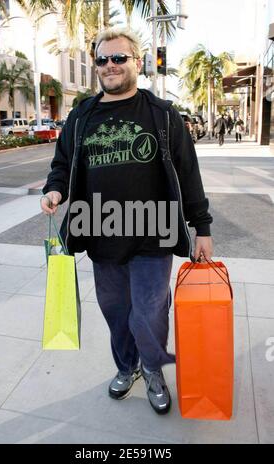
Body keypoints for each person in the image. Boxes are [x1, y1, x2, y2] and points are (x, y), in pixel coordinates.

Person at [41, 28, 213, 415]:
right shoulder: (81, 115)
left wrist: (201, 227)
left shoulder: (162, 114)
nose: (110, 65)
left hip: (155, 232)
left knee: (149, 311)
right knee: (116, 311)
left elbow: (188, 173)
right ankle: (127, 366)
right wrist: (55, 191)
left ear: (138, 62)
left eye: (119, 58)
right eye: (102, 59)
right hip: (100, 235)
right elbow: (62, 164)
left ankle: (153, 369)